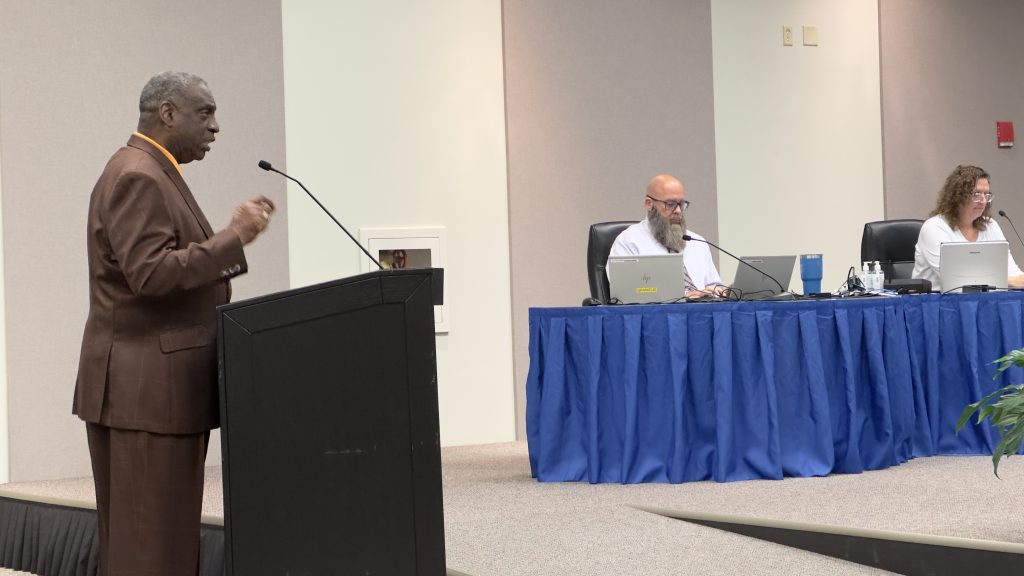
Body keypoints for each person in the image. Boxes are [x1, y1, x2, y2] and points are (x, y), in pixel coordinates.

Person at [73, 71, 275, 575]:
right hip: (144, 394)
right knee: (149, 551)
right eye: (204, 113)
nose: (215, 127)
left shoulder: (149, 169)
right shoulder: (139, 175)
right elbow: (151, 274)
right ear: (167, 114)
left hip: (150, 392)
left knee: (155, 545)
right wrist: (233, 239)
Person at [609, 174, 726, 298]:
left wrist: (721, 291)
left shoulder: (697, 242)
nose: (678, 211)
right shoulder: (629, 242)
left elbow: (713, 284)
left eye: (681, 204)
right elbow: (626, 293)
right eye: (670, 204)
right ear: (649, 204)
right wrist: (684, 296)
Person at [913, 164, 1024, 291]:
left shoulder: (990, 225)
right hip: (937, 303)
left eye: (986, 194)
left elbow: (1011, 270)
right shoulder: (934, 228)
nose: (983, 201)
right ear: (958, 196)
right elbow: (956, 280)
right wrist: (1009, 281)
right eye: (976, 194)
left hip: (984, 300)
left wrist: (1018, 280)